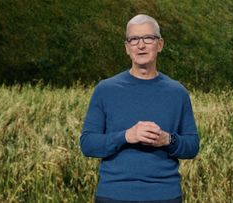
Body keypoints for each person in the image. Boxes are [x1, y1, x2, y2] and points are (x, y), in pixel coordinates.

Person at [80, 14, 199, 203]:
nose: (141, 45)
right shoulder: (105, 89)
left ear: (160, 44)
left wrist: (167, 140)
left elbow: (192, 146)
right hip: (113, 195)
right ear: (127, 48)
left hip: (165, 196)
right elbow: (87, 144)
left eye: (148, 38)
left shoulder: (178, 92)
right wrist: (127, 136)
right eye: (134, 39)